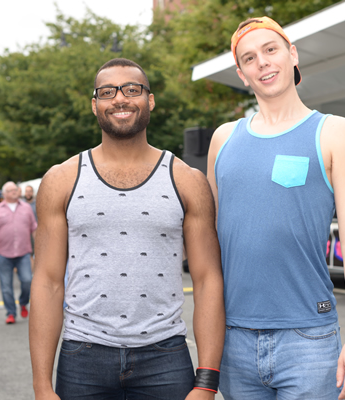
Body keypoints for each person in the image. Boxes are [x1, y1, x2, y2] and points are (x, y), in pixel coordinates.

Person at [29, 58, 225, 400]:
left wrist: (207, 382)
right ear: (95, 105)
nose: (120, 99)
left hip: (165, 357)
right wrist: (42, 386)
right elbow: (47, 282)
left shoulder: (188, 181)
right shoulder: (60, 180)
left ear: (149, 100)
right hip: (82, 358)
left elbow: (207, 279)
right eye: (108, 92)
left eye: (132, 89)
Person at [207, 17, 345, 399]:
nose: (262, 62)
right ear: (242, 74)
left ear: (292, 54)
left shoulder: (335, 132)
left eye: (271, 50)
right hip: (233, 338)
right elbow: (210, 242)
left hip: (309, 338)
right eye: (249, 58)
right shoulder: (223, 139)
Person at [0, 182, 37, 324]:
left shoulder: (26, 208)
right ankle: (11, 313)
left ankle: (23, 302)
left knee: (27, 281)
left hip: (23, 253)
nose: (14, 192)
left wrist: (40, 249)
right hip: (3, 254)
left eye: (15, 189)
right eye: (10, 190)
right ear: (4, 194)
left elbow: (34, 229)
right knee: (6, 286)